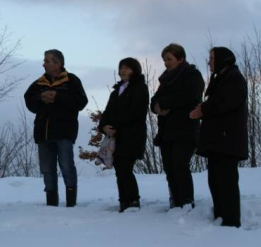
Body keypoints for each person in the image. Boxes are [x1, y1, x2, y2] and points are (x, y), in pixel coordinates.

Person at [190, 47, 247, 228]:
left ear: (223, 59)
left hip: (227, 140)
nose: (209, 62)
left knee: (226, 182)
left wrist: (203, 109)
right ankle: (220, 216)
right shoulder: (221, 78)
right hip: (218, 141)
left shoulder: (234, 78)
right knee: (215, 181)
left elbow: (226, 102)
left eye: (212, 58)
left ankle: (230, 221)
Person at [24, 49, 88, 207]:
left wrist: (58, 96)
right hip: (43, 133)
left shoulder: (72, 80)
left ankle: (71, 203)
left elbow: (81, 102)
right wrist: (40, 98)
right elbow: (29, 101)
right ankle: (51, 204)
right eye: (44, 60)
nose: (43, 64)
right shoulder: (38, 84)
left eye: (47, 61)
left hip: (64, 132)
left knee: (67, 166)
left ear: (57, 63)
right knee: (47, 169)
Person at [151, 43, 204, 209]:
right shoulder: (165, 80)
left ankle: (186, 201)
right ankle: (175, 200)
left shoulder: (192, 75)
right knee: (169, 167)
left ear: (180, 58)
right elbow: (154, 100)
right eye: (164, 60)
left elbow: (188, 96)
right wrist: (156, 107)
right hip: (166, 130)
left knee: (179, 165)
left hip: (185, 128)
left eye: (169, 59)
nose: (166, 63)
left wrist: (165, 104)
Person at [99, 58, 149, 212]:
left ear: (135, 70)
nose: (123, 70)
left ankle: (133, 200)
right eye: (121, 67)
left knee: (125, 168)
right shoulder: (116, 91)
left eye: (127, 68)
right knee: (119, 168)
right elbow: (107, 112)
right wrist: (103, 126)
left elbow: (137, 112)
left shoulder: (140, 88)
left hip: (132, 135)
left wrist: (115, 124)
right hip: (116, 137)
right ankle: (124, 201)